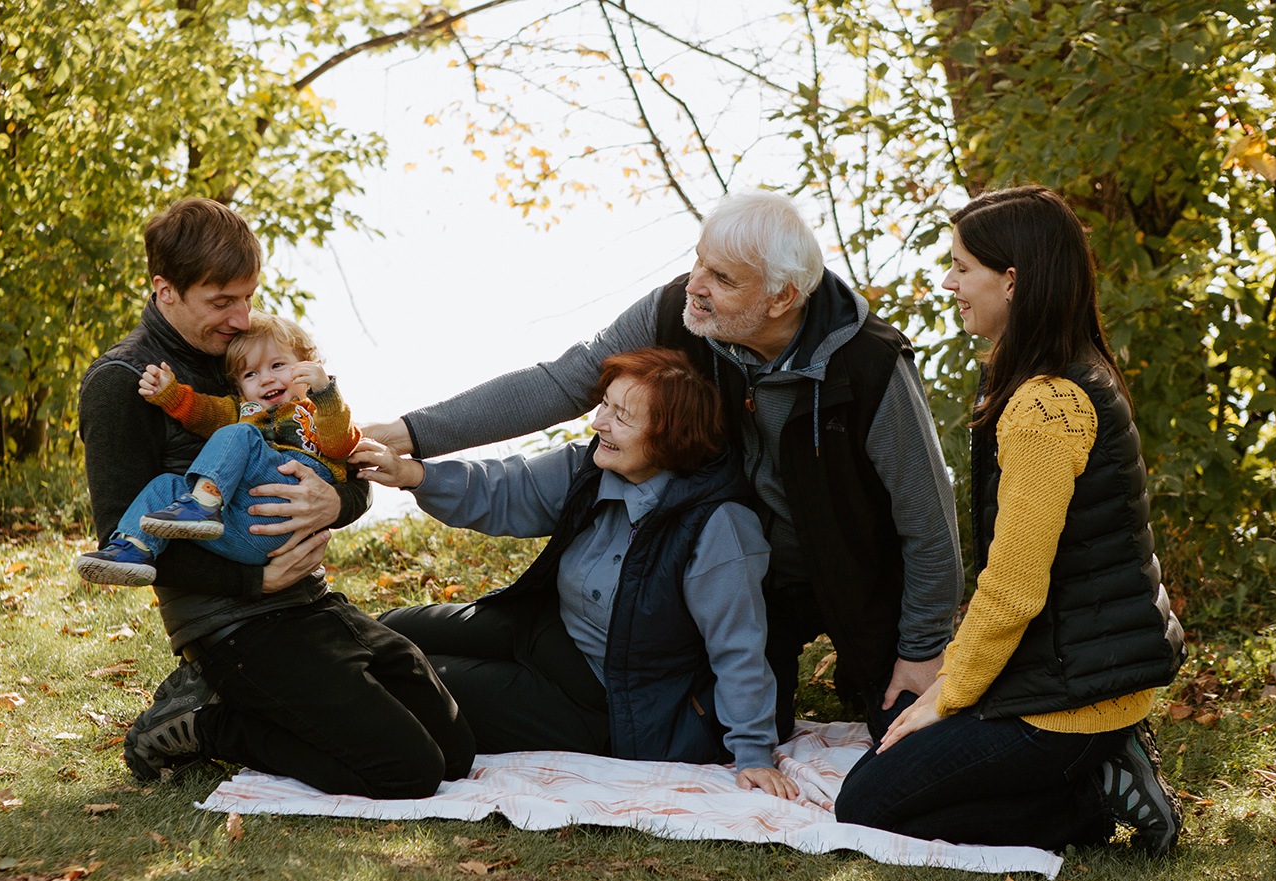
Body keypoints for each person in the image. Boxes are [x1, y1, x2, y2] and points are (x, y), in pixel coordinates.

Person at [362, 191, 964, 741]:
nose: (693, 285)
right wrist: (413, 434)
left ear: (781, 297)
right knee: (397, 637)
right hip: (710, 563)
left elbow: (929, 524)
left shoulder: (870, 367)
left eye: (721, 278)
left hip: (842, 574)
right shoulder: (678, 311)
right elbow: (561, 381)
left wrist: (921, 647)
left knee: (898, 729)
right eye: (698, 261)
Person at [79, 197, 473, 797]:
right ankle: (207, 724)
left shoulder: (256, 355)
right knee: (408, 772)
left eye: (247, 297)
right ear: (165, 292)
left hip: (312, 600)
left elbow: (342, 460)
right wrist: (252, 584)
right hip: (235, 621)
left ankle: (258, 699)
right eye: (221, 302)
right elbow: (122, 537)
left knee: (455, 753)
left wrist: (335, 503)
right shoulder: (123, 384)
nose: (240, 317)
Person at [833, 185, 1186, 855]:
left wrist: (948, 692)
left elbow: (1015, 585)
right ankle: (1098, 765)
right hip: (1078, 679)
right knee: (893, 753)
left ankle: (1091, 797)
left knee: (866, 805)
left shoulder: (1044, 407)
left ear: (1013, 280)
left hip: (1068, 703)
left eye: (963, 266)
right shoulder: (1068, 375)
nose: (949, 281)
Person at [353, 348, 797, 798]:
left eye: (621, 416)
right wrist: (411, 473)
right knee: (386, 632)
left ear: (669, 438)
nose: (599, 422)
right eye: (605, 404)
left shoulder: (718, 527)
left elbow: (738, 647)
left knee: (412, 679)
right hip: (548, 630)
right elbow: (505, 489)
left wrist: (754, 754)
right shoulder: (593, 466)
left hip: (607, 698)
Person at [75, 312, 360, 586]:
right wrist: (170, 394)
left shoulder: (317, 411)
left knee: (243, 433)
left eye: (277, 366)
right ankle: (132, 550)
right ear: (239, 387)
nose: (266, 379)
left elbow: (341, 444)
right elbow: (203, 412)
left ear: (307, 367)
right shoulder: (243, 412)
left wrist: (325, 392)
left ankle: (204, 503)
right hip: (240, 533)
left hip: (291, 510)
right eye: (250, 374)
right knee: (166, 486)